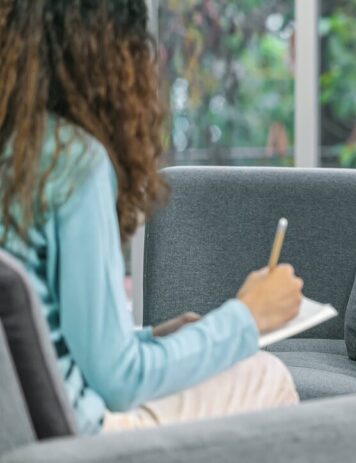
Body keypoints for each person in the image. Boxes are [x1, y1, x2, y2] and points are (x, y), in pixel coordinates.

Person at [0, 0, 303, 434]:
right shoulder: (70, 161)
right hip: (76, 433)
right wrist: (246, 317)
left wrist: (155, 337)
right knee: (266, 376)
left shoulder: (16, 147)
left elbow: (51, 339)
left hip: (20, 427)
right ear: (104, 49)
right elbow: (120, 381)